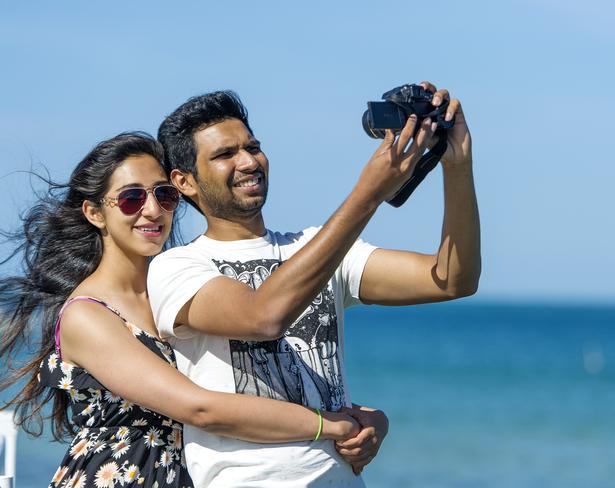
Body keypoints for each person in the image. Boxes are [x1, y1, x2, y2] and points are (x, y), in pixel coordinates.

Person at [0, 131, 402, 488]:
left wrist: (371, 419)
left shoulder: (180, 292)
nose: (153, 210)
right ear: (94, 213)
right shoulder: (87, 314)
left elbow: (238, 385)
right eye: (131, 198)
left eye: (164, 194)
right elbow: (201, 406)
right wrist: (330, 426)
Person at [149, 81, 480, 487]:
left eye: (252, 147)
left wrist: (457, 164)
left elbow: (451, 279)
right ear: (184, 182)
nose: (249, 162)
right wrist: (368, 194)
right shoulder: (176, 267)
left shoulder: (314, 245)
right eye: (225, 154)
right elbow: (263, 317)